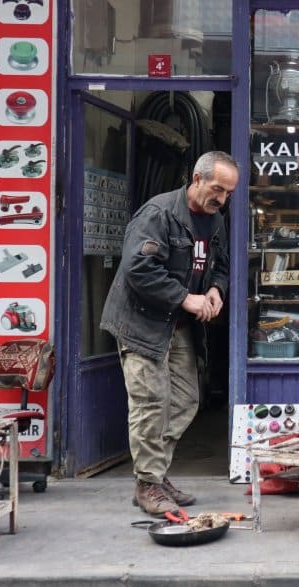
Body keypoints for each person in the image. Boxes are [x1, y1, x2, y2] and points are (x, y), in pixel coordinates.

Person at [101, 150, 240, 516]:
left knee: (184, 400)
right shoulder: (158, 214)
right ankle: (148, 483)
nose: (222, 199)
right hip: (141, 324)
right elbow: (138, 269)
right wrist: (186, 298)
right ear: (197, 179)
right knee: (150, 405)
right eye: (217, 189)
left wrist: (216, 290)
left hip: (177, 327)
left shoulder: (215, 220)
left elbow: (221, 263)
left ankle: (154, 475)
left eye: (228, 193)